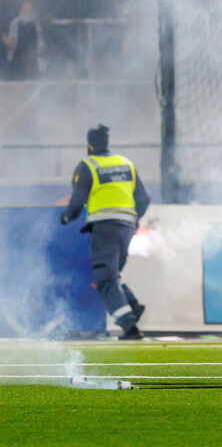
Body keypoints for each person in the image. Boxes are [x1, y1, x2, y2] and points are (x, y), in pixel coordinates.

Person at [60, 125, 150, 340]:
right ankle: (132, 305)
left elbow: (77, 201)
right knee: (113, 273)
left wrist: (66, 217)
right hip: (127, 227)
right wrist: (134, 220)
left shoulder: (88, 165)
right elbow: (144, 198)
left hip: (104, 228)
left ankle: (129, 327)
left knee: (105, 279)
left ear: (89, 144)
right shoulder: (126, 163)